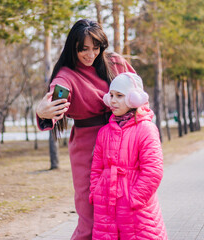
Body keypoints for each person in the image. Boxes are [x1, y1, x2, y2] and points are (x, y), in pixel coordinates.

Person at [36, 19, 136, 239]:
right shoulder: (66, 75)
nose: (90, 54)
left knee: (124, 211)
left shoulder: (116, 63)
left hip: (121, 140)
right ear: (74, 47)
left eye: (95, 48)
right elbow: (56, 101)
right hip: (86, 146)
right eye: (84, 49)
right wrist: (44, 112)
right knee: (89, 215)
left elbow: (137, 95)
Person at [89, 72, 167, 239]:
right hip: (106, 206)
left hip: (135, 208)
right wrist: (96, 192)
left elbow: (153, 170)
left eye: (119, 95)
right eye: (111, 95)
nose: (113, 100)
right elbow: (96, 168)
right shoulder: (104, 132)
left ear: (133, 98)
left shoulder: (146, 129)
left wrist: (135, 199)